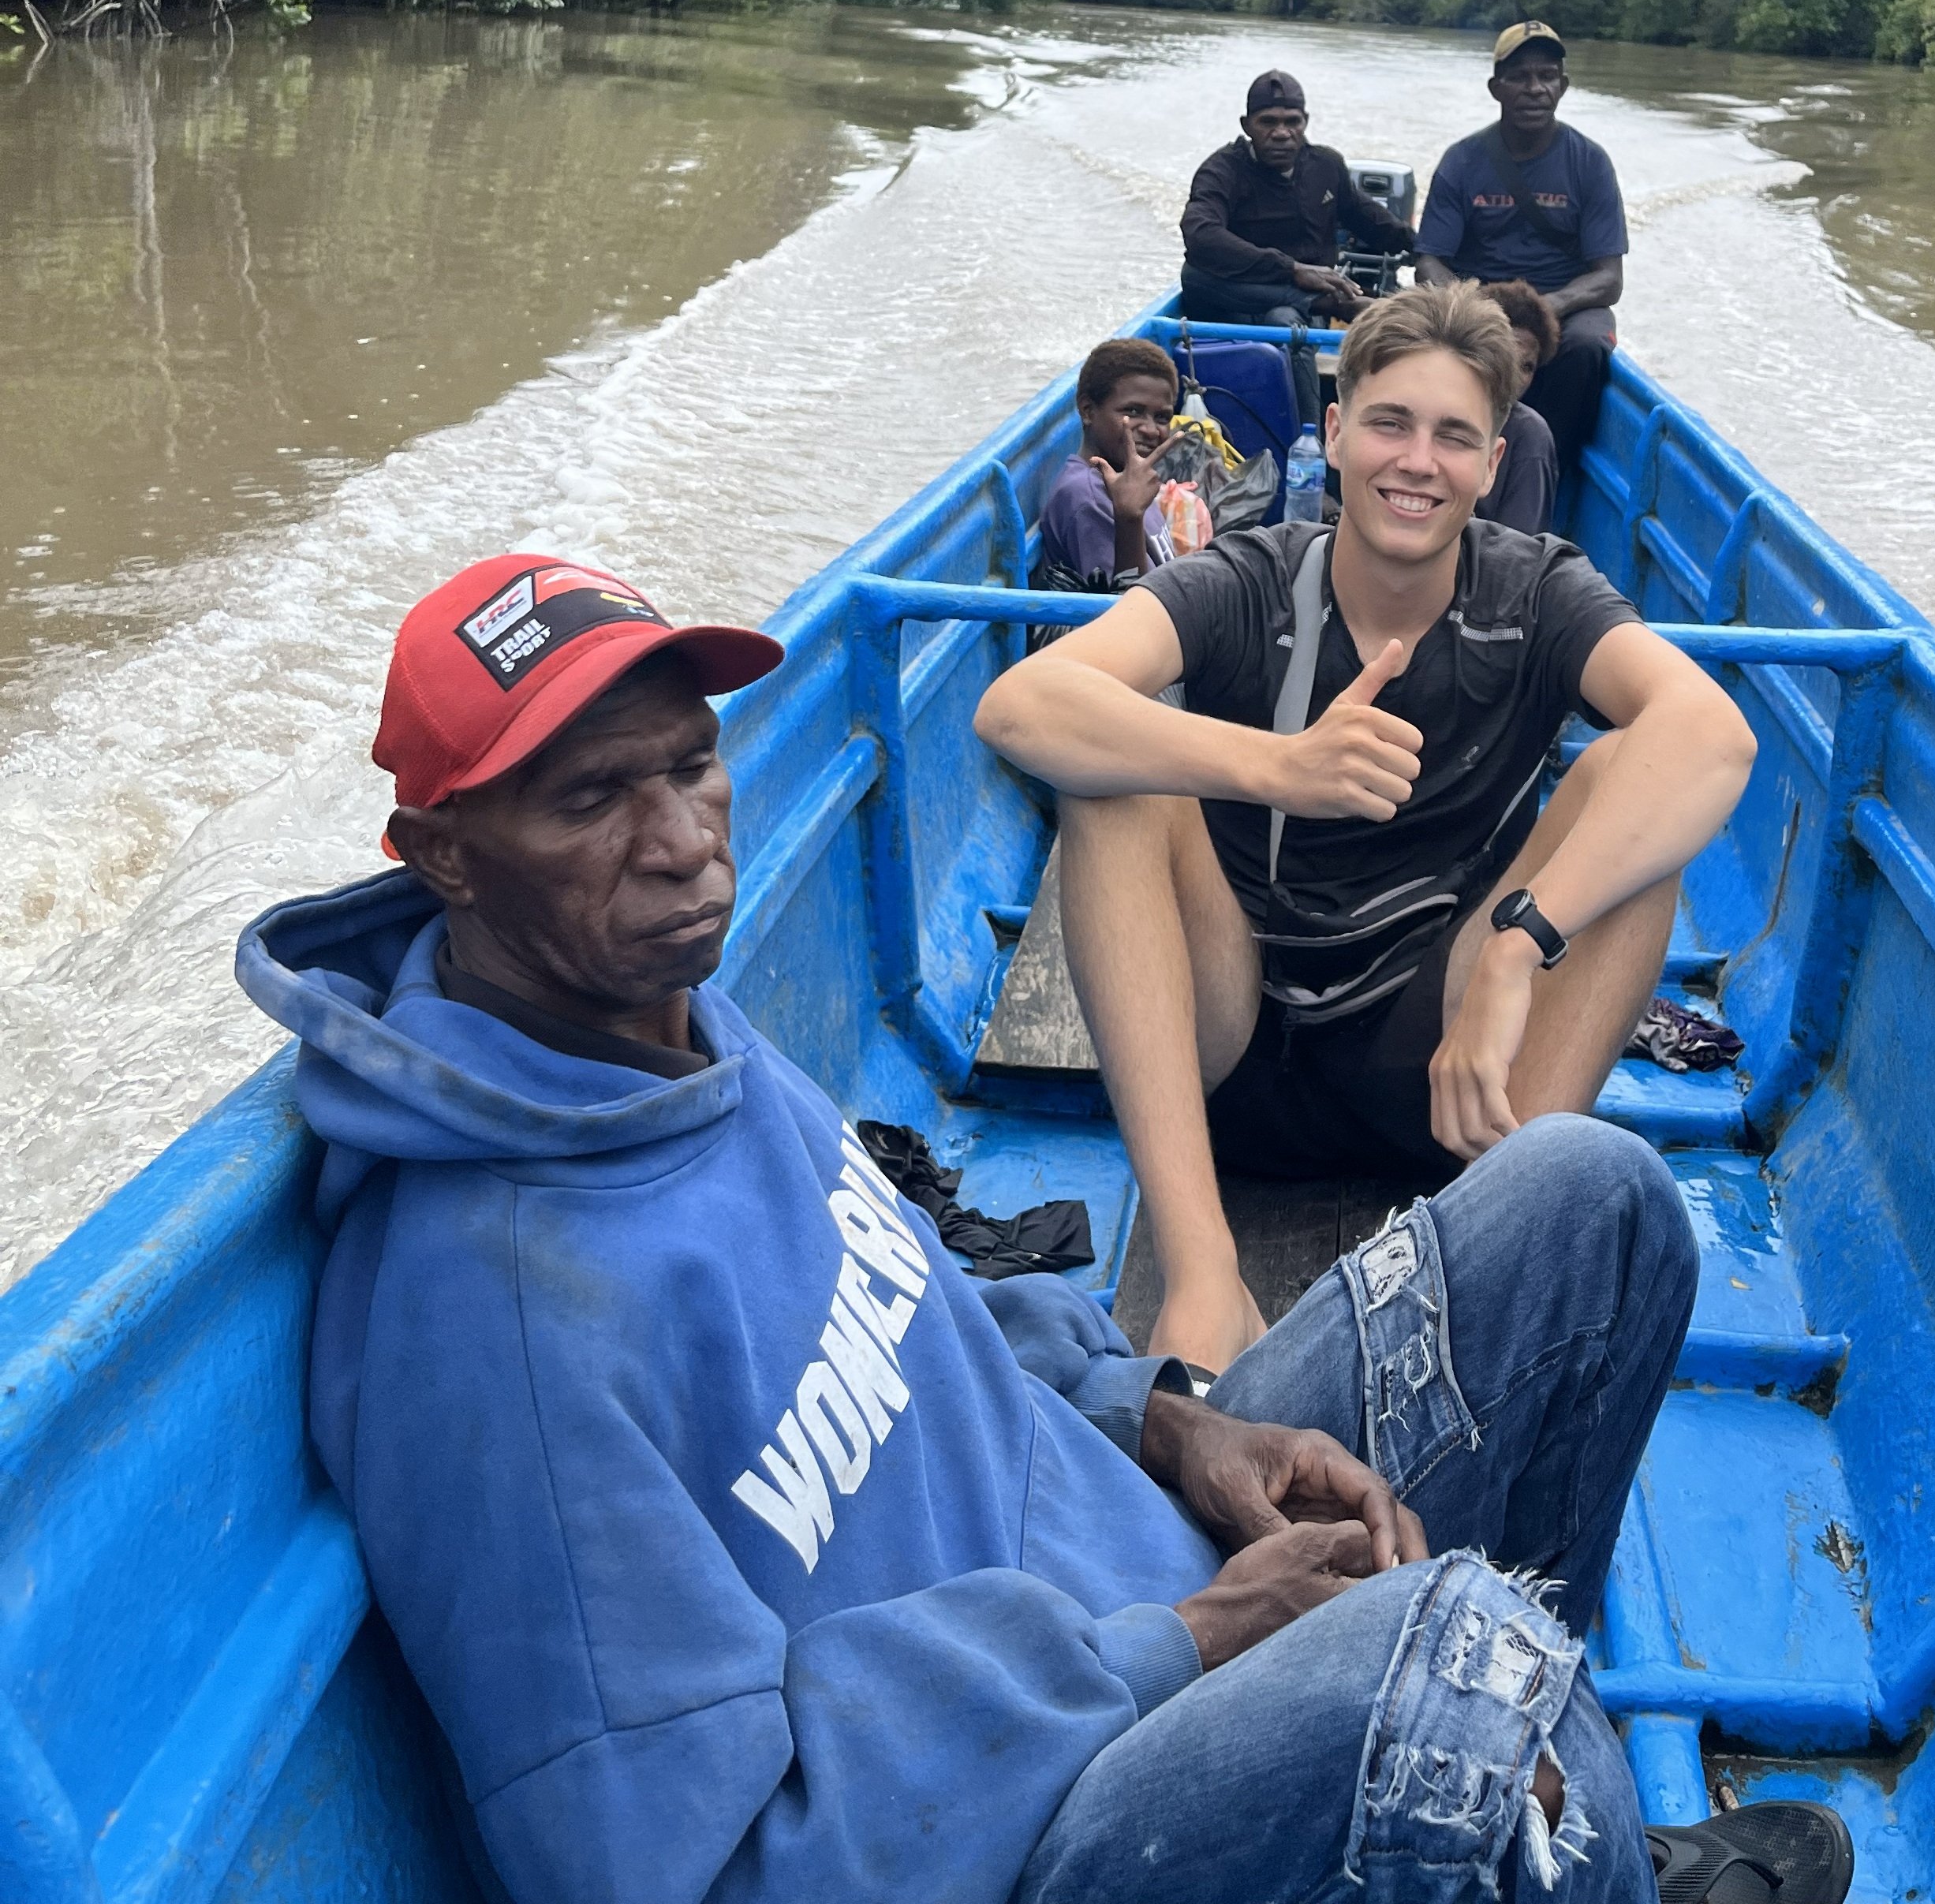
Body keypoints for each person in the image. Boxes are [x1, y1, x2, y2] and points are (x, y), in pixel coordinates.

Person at [236, 551, 1850, 1904]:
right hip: (1042, 1820)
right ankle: (1556, 1830)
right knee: (1456, 1651)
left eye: (689, 763)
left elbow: (930, 1314)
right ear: (444, 856)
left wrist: (1164, 1426)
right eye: (592, 800)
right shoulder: (495, 1318)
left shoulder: (678, 1041)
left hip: (1137, 1569)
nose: (680, 839)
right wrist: (1189, 1644)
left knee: (1593, 1205)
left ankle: (1564, 1843)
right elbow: (701, 1867)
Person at [975, 284, 1757, 1380]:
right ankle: (1205, 1271)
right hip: (1233, 1048)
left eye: (1455, 437)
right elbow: (1020, 707)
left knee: (1642, 797)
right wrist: (1275, 765)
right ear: (1336, 436)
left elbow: (1713, 740)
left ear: (1494, 463)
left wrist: (1517, 949)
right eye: (1389, 423)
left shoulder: (1539, 595)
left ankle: (1501, 1237)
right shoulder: (1249, 580)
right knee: (1110, 766)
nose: (1418, 462)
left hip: (1448, 1074)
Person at [1418, 21, 1626, 480]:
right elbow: (1430, 261)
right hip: (1477, 298)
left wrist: (1546, 310)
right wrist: (1472, 309)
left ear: (1563, 86)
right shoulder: (1462, 160)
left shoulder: (1589, 163)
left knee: (1588, 347)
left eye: (1547, 76)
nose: (1536, 89)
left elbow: (1608, 278)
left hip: (1561, 301)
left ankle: (1551, 470)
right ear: (1497, 88)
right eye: (1520, 77)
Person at [1180, 67, 1416, 427]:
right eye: (1268, 122)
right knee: (1197, 276)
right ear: (1247, 125)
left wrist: (1431, 250)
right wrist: (1293, 271)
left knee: (1286, 321)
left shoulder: (1326, 166)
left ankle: (1308, 445)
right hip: (1238, 305)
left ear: (1305, 121)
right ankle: (1308, 444)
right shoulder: (1223, 170)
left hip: (1307, 310)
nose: (1281, 134)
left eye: (1292, 122)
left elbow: (1372, 221)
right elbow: (1200, 234)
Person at [1041, 338, 1184, 584]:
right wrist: (1129, 517)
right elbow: (1130, 610)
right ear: (1088, 410)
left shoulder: (1132, 479)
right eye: (1132, 412)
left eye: (1162, 417)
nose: (1151, 430)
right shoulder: (1089, 498)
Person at [1481, 279, 1561, 536]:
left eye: (1527, 367)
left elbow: (1515, 552)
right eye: (1506, 358)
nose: (1514, 377)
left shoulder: (1529, 437)